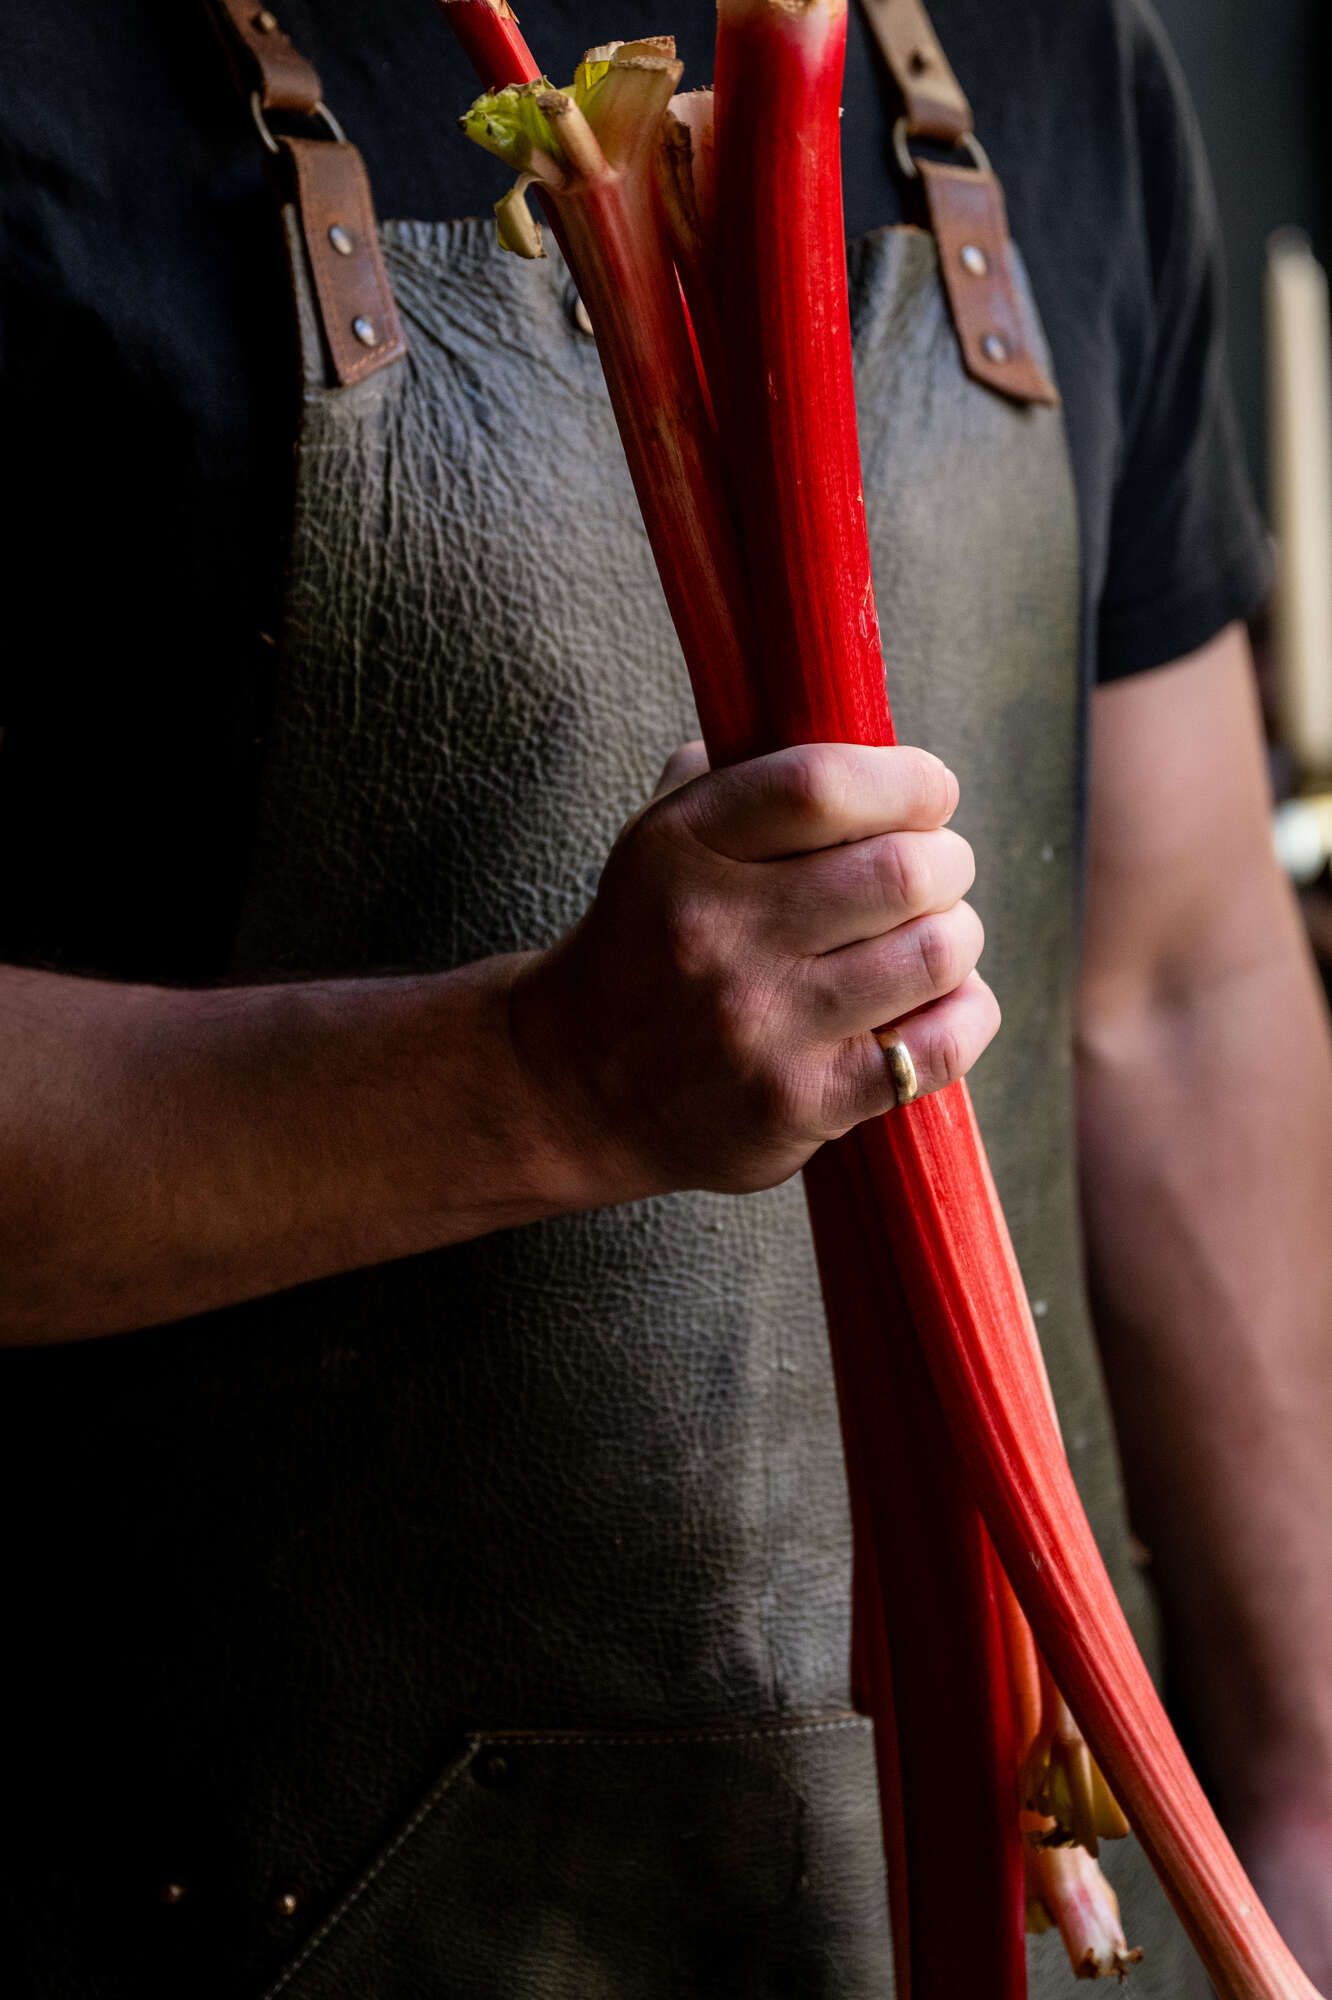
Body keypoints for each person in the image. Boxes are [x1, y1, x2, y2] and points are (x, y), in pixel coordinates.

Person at [0, 0, 1328, 1993]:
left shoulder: (1047, 50)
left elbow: (1178, 980)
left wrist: (1308, 1788)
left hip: (1022, 1921)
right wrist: (534, 1082)